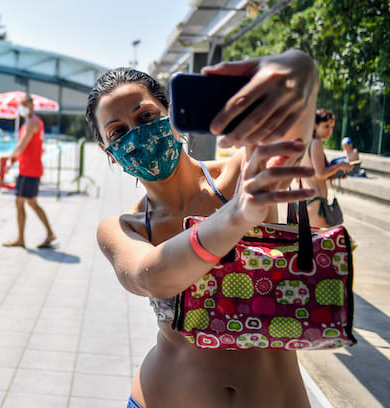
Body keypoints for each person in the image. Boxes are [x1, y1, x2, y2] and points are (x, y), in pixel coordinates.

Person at [87, 49, 319, 407]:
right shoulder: (123, 227)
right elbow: (151, 276)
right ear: (109, 152)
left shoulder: (240, 175)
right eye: (118, 131)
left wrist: (302, 72)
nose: (137, 134)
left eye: (146, 115)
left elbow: (291, 136)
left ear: (172, 117)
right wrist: (235, 217)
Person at [2, 94, 57, 249]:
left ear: (31, 105)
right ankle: (30, 236)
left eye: (24, 104)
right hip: (27, 168)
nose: (21, 107)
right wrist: (14, 160)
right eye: (20, 104)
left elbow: (22, 145)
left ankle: (33, 236)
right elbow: (25, 147)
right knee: (26, 202)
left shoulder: (32, 123)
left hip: (30, 170)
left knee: (26, 202)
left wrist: (9, 159)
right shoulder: (30, 122)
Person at [301, 109, 352, 227]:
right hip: (316, 203)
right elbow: (320, 173)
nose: (330, 130)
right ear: (315, 125)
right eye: (326, 126)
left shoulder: (306, 143)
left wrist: (334, 173)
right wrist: (339, 166)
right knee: (327, 243)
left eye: (332, 127)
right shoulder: (316, 143)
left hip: (306, 201)